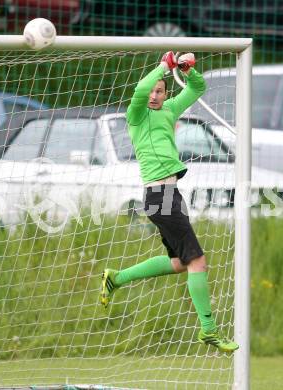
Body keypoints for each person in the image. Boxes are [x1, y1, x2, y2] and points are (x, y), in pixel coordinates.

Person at [100, 51, 239, 353]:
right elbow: (139, 90)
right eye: (152, 89)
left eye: (160, 90)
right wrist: (163, 67)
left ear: (165, 93)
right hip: (158, 196)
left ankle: (117, 278)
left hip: (170, 195)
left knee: (179, 263)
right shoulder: (136, 115)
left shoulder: (170, 109)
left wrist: (187, 70)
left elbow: (198, 89)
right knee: (197, 261)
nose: (153, 94)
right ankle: (209, 330)